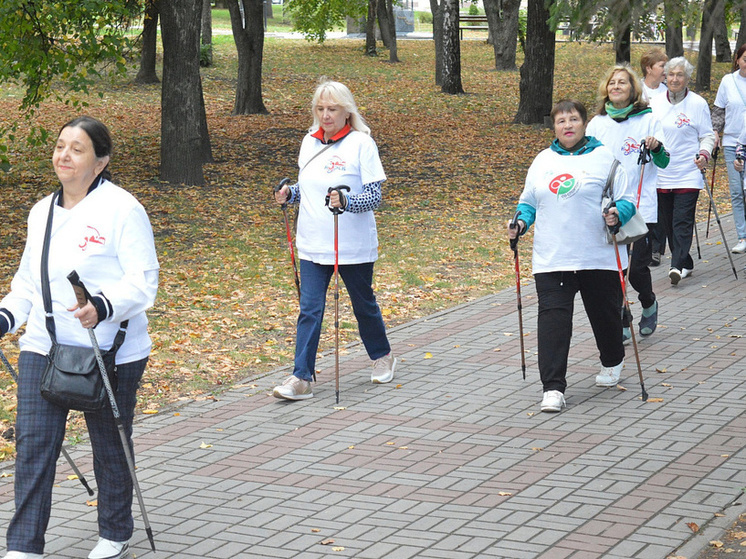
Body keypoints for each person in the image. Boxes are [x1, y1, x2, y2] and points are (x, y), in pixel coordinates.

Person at [0, 116, 159, 559]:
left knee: (108, 444)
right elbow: (28, 285)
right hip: (46, 347)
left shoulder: (123, 209)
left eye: (77, 148)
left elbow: (143, 282)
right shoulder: (40, 213)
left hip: (110, 349)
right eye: (60, 146)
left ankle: (114, 532)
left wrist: (102, 306)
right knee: (34, 444)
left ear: (101, 161)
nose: (64, 155)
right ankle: (23, 546)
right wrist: (5, 318)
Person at [507, 99, 635, 413]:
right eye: (561, 121)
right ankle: (552, 388)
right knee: (553, 322)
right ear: (554, 127)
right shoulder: (542, 161)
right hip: (553, 257)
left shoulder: (604, 158)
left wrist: (618, 213)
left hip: (598, 256)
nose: (568, 125)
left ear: (584, 123)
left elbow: (628, 199)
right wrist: (520, 223)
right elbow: (528, 203)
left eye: (573, 119)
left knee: (605, 317)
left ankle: (612, 360)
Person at [273, 79, 396, 401]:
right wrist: (290, 194)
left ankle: (382, 355)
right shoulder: (308, 143)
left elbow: (374, 196)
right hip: (312, 242)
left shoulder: (361, 144)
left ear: (346, 111)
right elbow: (309, 190)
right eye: (320, 109)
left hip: (351, 243)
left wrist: (347, 202)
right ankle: (301, 377)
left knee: (363, 304)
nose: (326, 115)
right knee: (310, 309)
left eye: (332, 109)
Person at [586, 65, 669, 343]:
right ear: (606, 89)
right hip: (606, 207)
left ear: (633, 88)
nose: (616, 86)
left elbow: (664, 161)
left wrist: (656, 147)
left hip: (639, 205)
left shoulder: (648, 119)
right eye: (612, 83)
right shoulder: (597, 123)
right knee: (613, 269)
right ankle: (622, 319)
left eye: (622, 82)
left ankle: (648, 301)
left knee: (635, 268)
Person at [650, 57, 716, 285]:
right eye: (671, 74)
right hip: (661, 171)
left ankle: (676, 265)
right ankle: (686, 262)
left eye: (680, 75)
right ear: (665, 77)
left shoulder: (697, 103)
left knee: (682, 220)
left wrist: (704, 154)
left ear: (688, 78)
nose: (675, 79)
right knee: (667, 223)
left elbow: (707, 135)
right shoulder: (655, 103)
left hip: (688, 171)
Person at [713, 44, 746, 254]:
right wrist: (715, 132)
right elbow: (718, 110)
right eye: (745, 58)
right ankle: (742, 236)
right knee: (736, 192)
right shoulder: (728, 81)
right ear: (737, 60)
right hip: (733, 142)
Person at [639, 48, 669, 265]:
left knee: (660, 199)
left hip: (662, 149)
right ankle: (643, 244)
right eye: (661, 66)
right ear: (649, 68)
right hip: (640, 151)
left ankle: (657, 247)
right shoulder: (636, 91)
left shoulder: (668, 93)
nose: (665, 70)